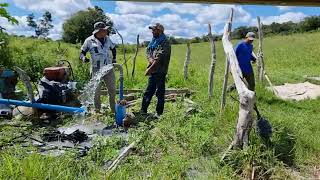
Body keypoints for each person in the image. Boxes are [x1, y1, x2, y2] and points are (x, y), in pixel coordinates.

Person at [80, 22, 117, 113]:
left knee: (112, 89)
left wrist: (114, 58)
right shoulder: (89, 40)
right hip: (96, 68)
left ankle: (113, 109)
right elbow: (82, 52)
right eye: (104, 30)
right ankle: (97, 111)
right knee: (96, 91)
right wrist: (84, 58)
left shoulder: (107, 39)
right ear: (98, 31)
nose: (106, 31)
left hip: (108, 67)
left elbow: (113, 48)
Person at [140, 23, 171, 118]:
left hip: (160, 71)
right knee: (148, 91)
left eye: (154, 30)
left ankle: (159, 113)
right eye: (152, 30)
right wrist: (151, 61)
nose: (152, 32)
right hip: (153, 71)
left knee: (160, 93)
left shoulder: (164, 42)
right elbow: (148, 52)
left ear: (160, 31)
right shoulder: (154, 41)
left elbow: (159, 58)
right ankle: (143, 111)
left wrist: (149, 68)